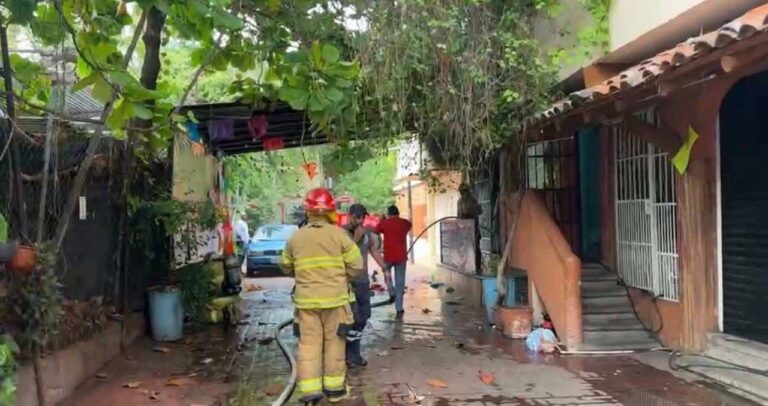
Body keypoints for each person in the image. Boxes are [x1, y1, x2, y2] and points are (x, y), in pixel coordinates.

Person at [279, 188, 363, 405]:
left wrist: (303, 275)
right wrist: (342, 278)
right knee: (335, 343)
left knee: (308, 345)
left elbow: (285, 266)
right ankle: (334, 391)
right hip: (335, 301)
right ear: (331, 211)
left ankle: (309, 392)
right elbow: (357, 265)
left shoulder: (296, 237)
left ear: (308, 210)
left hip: (306, 303)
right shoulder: (339, 235)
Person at [344, 203, 386, 368]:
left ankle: (353, 353)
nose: (361, 221)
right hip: (347, 283)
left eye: (363, 217)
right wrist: (355, 239)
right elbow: (343, 254)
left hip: (362, 282)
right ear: (351, 216)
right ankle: (349, 354)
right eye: (358, 217)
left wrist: (385, 267)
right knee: (351, 318)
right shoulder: (341, 234)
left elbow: (374, 250)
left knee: (364, 316)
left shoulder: (367, 234)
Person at [375, 205, 412, 319]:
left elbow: (377, 229)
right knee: (400, 282)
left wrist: (382, 219)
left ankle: (391, 292)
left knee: (387, 274)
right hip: (401, 257)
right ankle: (399, 309)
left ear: (389, 214)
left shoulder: (385, 223)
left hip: (388, 256)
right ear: (398, 213)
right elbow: (409, 225)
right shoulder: (404, 223)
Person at [457, 183, 483, 274]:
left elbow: (479, 212)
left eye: (464, 191)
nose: (462, 193)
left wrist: (470, 214)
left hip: (474, 227)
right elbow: (459, 215)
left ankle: (478, 267)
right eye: (461, 192)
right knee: (464, 248)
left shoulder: (473, 201)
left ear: (467, 191)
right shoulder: (460, 202)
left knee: (476, 247)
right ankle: (465, 266)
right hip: (464, 229)